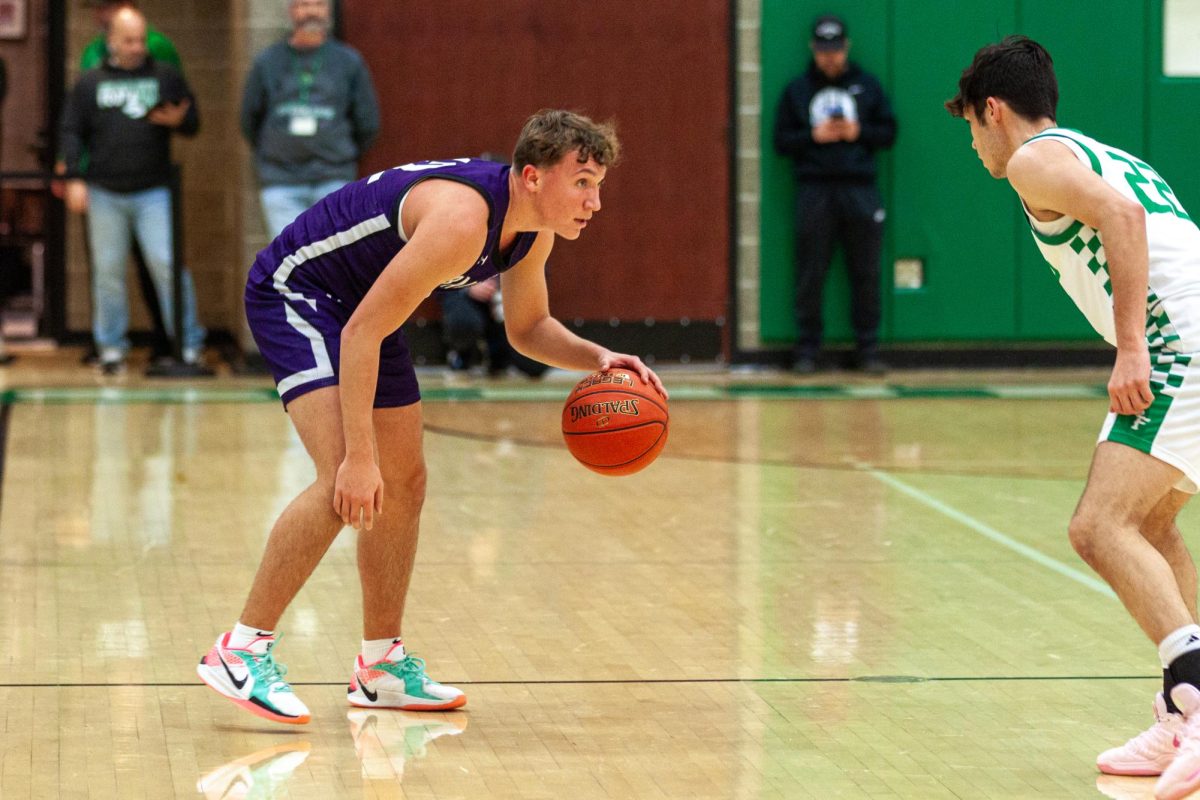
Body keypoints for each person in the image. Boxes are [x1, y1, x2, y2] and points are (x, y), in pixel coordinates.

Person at [196, 109, 666, 725]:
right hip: (301, 293)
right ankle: (241, 650)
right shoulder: (464, 219)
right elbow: (361, 332)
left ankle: (380, 668)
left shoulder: (529, 231)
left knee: (405, 484)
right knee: (345, 475)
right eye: (581, 181)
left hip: (366, 309)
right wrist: (359, 458)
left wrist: (598, 356)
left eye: (598, 184)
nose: (594, 200)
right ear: (531, 176)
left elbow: (527, 329)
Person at [948, 36, 1200, 800]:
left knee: (1098, 527)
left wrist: (1131, 348)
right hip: (1190, 331)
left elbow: (1122, 220)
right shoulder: (1099, 150)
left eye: (969, 125)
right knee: (1150, 526)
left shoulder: (1033, 160)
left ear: (993, 110)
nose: (974, 145)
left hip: (1176, 340)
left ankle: (1196, 698)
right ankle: (1180, 703)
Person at [59, 7, 206, 373]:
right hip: (105, 191)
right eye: (128, 40)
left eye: (141, 39)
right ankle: (110, 348)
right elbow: (72, 130)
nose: (137, 46)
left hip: (153, 192)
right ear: (111, 41)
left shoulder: (164, 76)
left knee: (167, 265)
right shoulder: (91, 82)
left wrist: (180, 120)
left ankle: (186, 343)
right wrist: (74, 177)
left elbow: (192, 120)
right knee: (107, 272)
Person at [773, 14, 897, 374]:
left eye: (836, 50)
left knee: (866, 270)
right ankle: (808, 350)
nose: (831, 57)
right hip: (814, 190)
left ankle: (868, 349)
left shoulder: (868, 86)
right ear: (814, 49)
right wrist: (814, 136)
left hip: (860, 189)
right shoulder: (797, 90)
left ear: (847, 47)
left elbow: (889, 132)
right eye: (824, 50)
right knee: (810, 271)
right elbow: (780, 142)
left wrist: (858, 132)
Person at [240, 0, 381, 238]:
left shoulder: (348, 61)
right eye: (304, 4)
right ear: (291, 11)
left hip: (333, 178)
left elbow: (367, 122)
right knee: (288, 258)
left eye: (319, 4)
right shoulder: (268, 60)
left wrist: (336, 152)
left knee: (332, 258)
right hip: (280, 180)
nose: (312, 11)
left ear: (328, 11)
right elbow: (249, 118)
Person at [438, 276, 549, 377]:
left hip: (506, 296)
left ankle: (500, 357)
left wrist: (513, 291)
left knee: (537, 364)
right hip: (465, 295)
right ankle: (462, 355)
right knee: (463, 322)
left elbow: (538, 271)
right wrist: (467, 286)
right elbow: (440, 268)